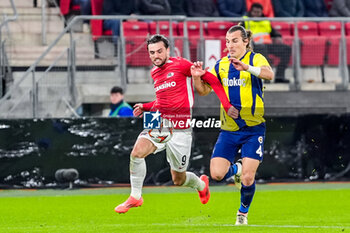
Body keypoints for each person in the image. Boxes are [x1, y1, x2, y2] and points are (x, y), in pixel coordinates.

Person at [114, 34, 238, 213]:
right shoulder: (155, 72)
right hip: (160, 122)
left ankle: (201, 185)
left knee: (178, 179)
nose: (155, 55)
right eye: (152, 52)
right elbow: (162, 101)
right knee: (137, 153)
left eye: (159, 51)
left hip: (181, 127)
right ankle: (135, 196)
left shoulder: (181, 64)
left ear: (167, 50)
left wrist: (226, 105)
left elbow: (212, 80)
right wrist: (146, 107)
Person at [191, 25, 274, 225]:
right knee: (217, 174)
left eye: (235, 40)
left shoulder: (256, 59)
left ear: (246, 41)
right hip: (229, 129)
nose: (230, 45)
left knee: (248, 178)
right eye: (227, 41)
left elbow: (269, 75)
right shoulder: (220, 65)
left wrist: (247, 68)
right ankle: (235, 169)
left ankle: (242, 213)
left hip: (254, 129)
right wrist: (196, 77)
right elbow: (203, 91)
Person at [243, 3, 291, 83]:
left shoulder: (265, 21)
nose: (256, 15)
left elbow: (272, 31)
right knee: (262, 49)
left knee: (286, 49)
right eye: (254, 12)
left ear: (261, 12)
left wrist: (278, 36)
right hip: (254, 46)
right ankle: (266, 75)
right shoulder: (245, 20)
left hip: (268, 45)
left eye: (258, 12)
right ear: (251, 12)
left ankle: (279, 76)